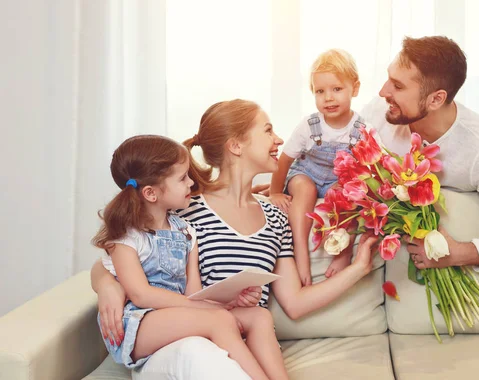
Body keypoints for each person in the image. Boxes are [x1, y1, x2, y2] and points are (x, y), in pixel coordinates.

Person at [90, 99, 380, 379]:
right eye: (267, 130)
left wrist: (358, 267)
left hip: (232, 334)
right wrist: (106, 286)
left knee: (257, 317)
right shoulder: (185, 207)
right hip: (183, 343)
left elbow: (295, 303)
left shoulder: (276, 217)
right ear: (236, 145)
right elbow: (118, 255)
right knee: (198, 350)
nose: (279, 139)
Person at [91, 135, 280, 379]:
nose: (191, 182)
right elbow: (141, 294)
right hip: (140, 323)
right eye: (182, 178)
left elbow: (193, 292)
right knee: (219, 320)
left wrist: (230, 299)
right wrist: (207, 309)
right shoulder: (127, 236)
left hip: (179, 314)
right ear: (151, 193)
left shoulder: (185, 231)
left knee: (259, 316)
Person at [360, 35, 479, 272]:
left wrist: (456, 254)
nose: (383, 92)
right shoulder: (379, 112)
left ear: (436, 99)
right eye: (389, 79)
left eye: (398, 86)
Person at [269, 49, 368, 285]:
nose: (328, 98)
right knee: (305, 189)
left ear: (354, 89)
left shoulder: (363, 128)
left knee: (345, 196)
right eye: (320, 91)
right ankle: (300, 252)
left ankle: (343, 253)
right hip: (307, 173)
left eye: (337, 89)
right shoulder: (309, 124)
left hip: (338, 180)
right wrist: (275, 191)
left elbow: (373, 166)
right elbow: (284, 160)